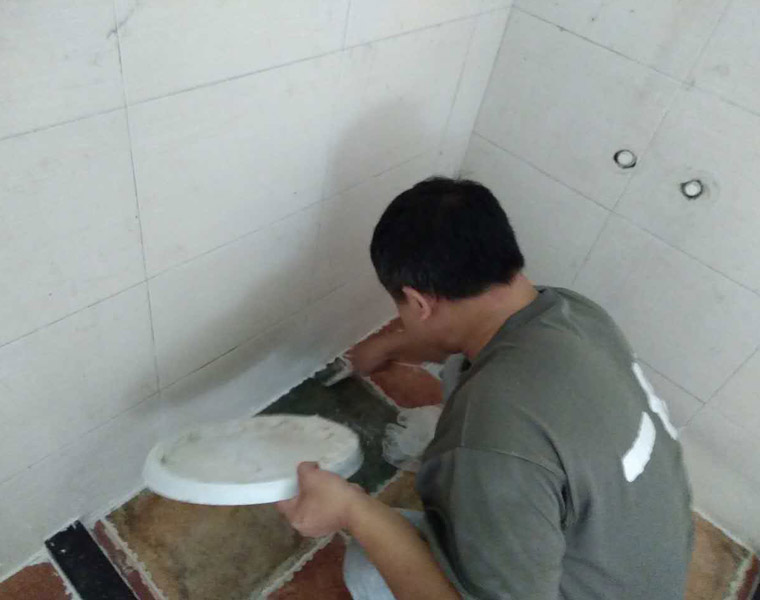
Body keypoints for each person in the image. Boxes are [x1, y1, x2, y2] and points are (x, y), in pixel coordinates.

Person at [276, 177, 693, 599]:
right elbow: (460, 341)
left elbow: (496, 446)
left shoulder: (491, 441)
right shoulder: (572, 311)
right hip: (634, 563)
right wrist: (392, 345)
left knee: (369, 567)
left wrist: (353, 510)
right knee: (460, 371)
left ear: (419, 303)